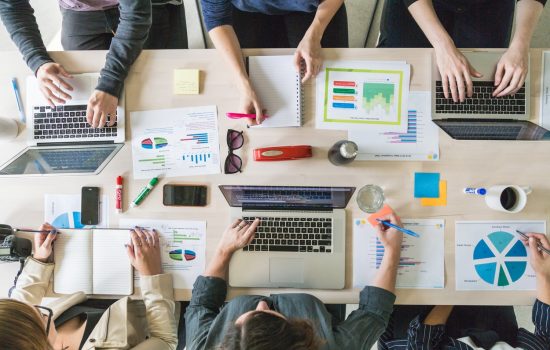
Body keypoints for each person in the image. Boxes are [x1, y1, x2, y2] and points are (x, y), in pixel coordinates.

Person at [185, 214, 403, 349]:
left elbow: (201, 304)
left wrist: (224, 250)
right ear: (299, 336)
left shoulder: (204, 346)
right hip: (321, 290)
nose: (262, 304)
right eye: (270, 314)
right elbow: (374, 312)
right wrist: (392, 250)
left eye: (243, 320)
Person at [0, 223, 178, 350]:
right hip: (151, 310)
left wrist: (40, 258)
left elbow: (22, 299)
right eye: (43, 317)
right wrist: (152, 277)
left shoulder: (15, 332)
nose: (42, 311)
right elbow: (164, 340)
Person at [378, 232, 550, 350]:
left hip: (415, 334)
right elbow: (545, 337)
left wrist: (454, 292)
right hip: (491, 333)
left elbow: (421, 339)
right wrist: (543, 273)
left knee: (414, 268)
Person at [0, 0, 151, 128]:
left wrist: (110, 83)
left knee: (151, 77)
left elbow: (136, 16)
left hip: (140, 6)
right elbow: (11, 6)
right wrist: (37, 61)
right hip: (79, 10)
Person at [200, 0, 348, 125]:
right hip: (249, 11)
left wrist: (315, 34)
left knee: (324, 94)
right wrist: (243, 84)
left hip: (315, 8)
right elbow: (217, 19)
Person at [378, 0, 546, 103]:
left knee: (482, 92)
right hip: (418, 5)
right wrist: (443, 46)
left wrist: (520, 45)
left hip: (488, 6)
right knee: (396, 87)